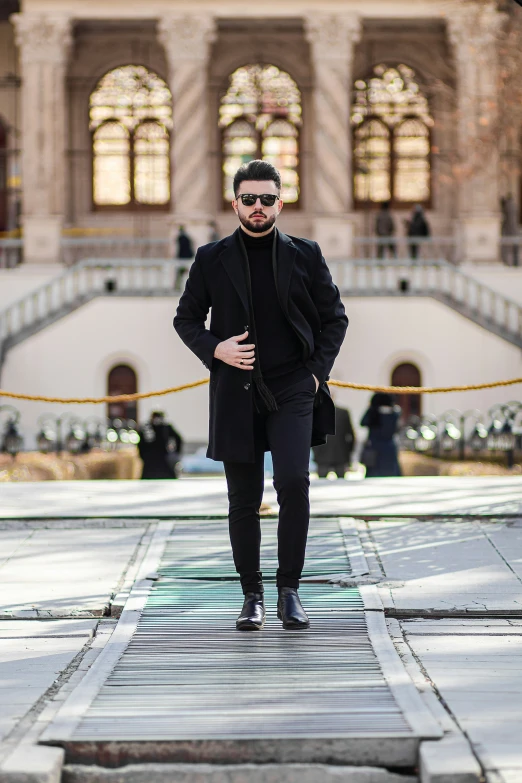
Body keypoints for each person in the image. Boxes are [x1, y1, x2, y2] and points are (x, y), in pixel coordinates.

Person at [174, 159, 348, 632]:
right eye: (249, 199)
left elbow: (335, 319)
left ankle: (289, 590)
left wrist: (315, 375)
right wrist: (217, 349)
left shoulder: (306, 254)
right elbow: (185, 319)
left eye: (266, 199)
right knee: (242, 498)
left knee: (293, 481)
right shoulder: (211, 258)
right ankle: (251, 594)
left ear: (280, 203)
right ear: (235, 203)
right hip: (235, 388)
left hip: (294, 386)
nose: (257, 207)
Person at [360, 393, 402, 478]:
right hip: (389, 446)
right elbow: (397, 429)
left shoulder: (372, 412)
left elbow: (362, 423)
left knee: (373, 473)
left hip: (374, 446)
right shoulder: (394, 413)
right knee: (390, 472)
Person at [312, 403, 354, 478]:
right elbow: (350, 434)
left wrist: (315, 450)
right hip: (340, 453)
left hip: (322, 453)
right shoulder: (343, 412)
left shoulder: (316, 412)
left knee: (321, 484)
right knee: (341, 483)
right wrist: (349, 450)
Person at [137, 411, 183, 480]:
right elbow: (140, 444)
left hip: (155, 460)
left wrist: (175, 453)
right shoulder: (162, 427)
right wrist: (175, 453)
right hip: (156, 460)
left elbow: (140, 445)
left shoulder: (149, 427)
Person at [501, 195, 519, 267]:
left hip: (510, 230)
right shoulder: (513, 206)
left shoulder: (508, 206)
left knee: (509, 247)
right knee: (514, 247)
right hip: (514, 230)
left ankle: (509, 262)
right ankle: (515, 262)